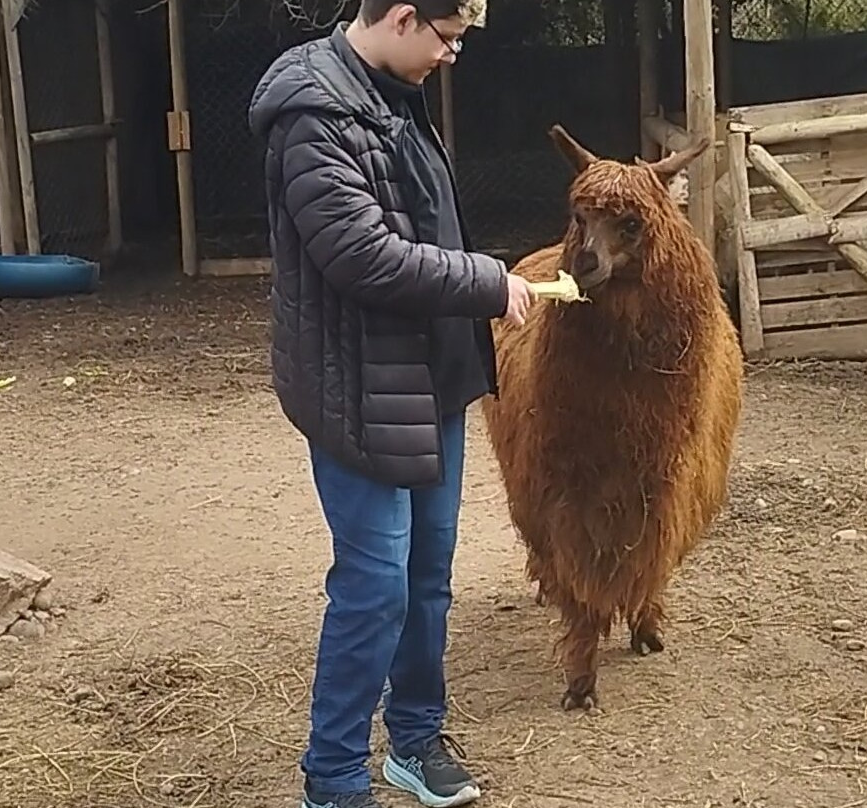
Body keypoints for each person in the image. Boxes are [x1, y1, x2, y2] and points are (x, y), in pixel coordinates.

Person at [248, 2, 536, 807]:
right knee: (374, 584)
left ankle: (414, 737)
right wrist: (487, 281)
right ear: (405, 16)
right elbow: (361, 256)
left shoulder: (392, 90)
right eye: (448, 38)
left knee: (426, 576)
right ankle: (334, 778)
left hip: (430, 375)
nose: (452, 57)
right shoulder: (310, 108)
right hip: (359, 385)